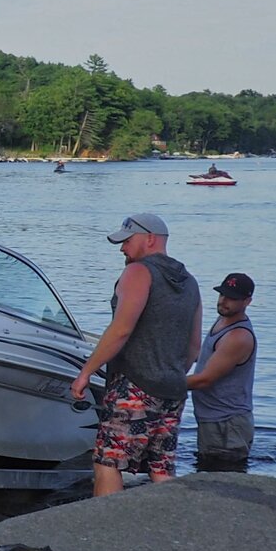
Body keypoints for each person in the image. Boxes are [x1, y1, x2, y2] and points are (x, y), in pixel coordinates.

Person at [68, 213, 200, 497]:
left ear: (150, 239)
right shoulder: (190, 282)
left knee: (108, 461)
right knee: (161, 468)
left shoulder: (138, 272)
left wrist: (86, 372)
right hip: (173, 389)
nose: (122, 248)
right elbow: (194, 347)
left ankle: (105, 529)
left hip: (134, 386)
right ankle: (170, 525)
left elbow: (121, 330)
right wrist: (169, 372)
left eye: (127, 241)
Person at [185, 271, 258, 473]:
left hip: (227, 424)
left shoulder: (238, 337)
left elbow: (204, 380)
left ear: (247, 301)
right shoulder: (222, 321)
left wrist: (158, 383)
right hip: (211, 420)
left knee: (223, 485)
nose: (224, 301)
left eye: (232, 298)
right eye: (222, 294)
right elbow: (205, 355)